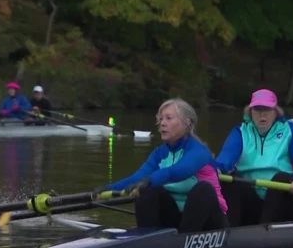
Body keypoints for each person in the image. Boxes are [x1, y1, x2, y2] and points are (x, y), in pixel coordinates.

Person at [95, 98, 228, 233]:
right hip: (179, 218)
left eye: (169, 118)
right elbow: (138, 177)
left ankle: (182, 241)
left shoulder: (199, 151)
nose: (162, 123)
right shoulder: (160, 153)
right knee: (147, 191)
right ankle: (147, 238)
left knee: (203, 189)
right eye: (160, 119)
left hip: (211, 222)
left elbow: (176, 171)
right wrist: (108, 188)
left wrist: (150, 180)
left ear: (186, 122)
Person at [214, 88, 293, 226]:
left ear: (275, 112)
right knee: (230, 181)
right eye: (257, 109)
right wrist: (216, 170)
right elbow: (225, 158)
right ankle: (227, 231)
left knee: (280, 178)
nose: (262, 115)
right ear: (250, 112)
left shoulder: (290, 131)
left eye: (267, 109)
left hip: (287, 199)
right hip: (254, 201)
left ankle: (264, 229)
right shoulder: (240, 132)